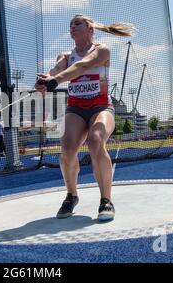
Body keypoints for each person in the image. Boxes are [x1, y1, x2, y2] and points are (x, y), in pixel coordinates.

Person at [35, 14, 134, 221]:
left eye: (77, 23)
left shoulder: (102, 50)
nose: (72, 26)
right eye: (70, 24)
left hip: (101, 107)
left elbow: (82, 66)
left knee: (96, 140)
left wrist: (56, 80)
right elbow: (55, 71)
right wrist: (45, 79)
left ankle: (106, 200)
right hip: (76, 109)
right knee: (67, 150)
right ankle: (71, 195)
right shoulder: (65, 56)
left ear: (90, 29)